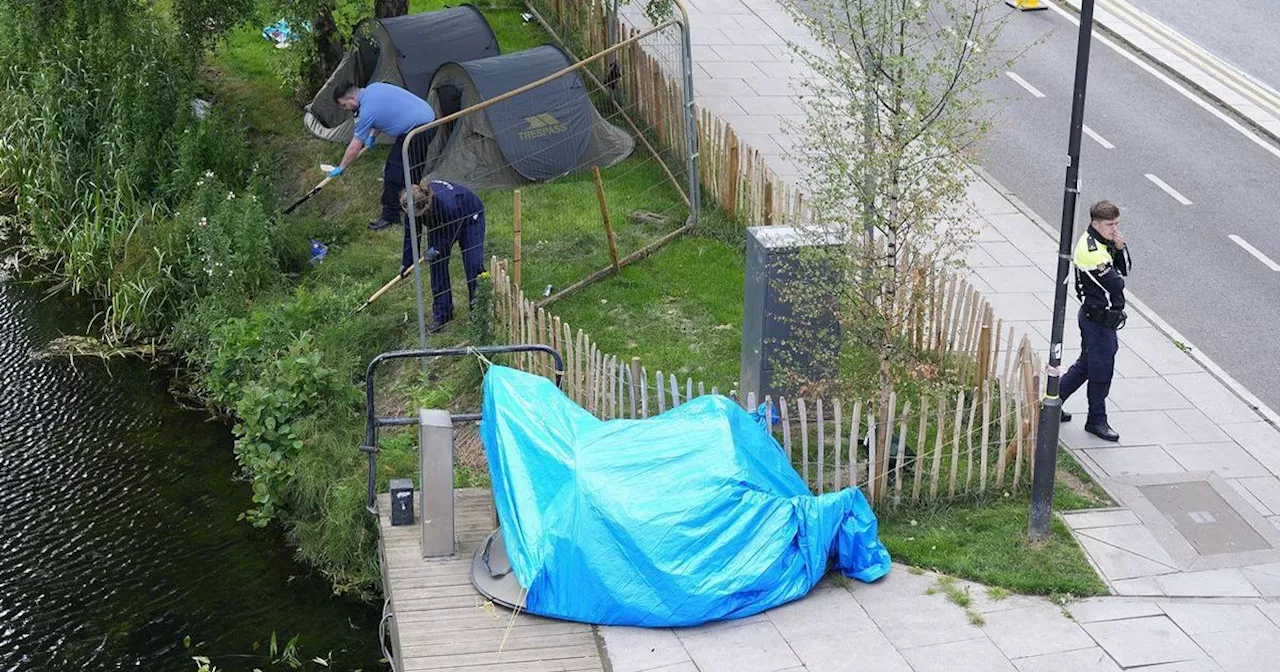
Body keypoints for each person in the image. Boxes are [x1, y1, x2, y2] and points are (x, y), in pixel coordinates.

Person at [1059, 200, 1132, 442]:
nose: (1115, 229)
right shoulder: (1090, 251)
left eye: (1117, 223)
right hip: (1097, 319)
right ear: (1095, 223)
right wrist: (1115, 252)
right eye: (1110, 225)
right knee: (1100, 370)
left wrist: (1118, 249)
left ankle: (1052, 401)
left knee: (1087, 365)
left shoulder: (1105, 243)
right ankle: (1096, 420)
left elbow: (1126, 270)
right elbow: (1117, 283)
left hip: (1102, 319)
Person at [328, 82, 437, 231]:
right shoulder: (374, 88)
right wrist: (373, 136)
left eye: (344, 105)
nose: (346, 109)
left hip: (416, 131)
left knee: (393, 172)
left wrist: (341, 167)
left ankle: (390, 215)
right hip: (431, 121)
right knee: (413, 166)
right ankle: (414, 202)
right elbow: (383, 114)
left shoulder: (366, 110)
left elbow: (354, 147)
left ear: (352, 99)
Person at [399, 181, 487, 331]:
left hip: (469, 217)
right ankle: (443, 314)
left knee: (473, 264)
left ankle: (478, 311)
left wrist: (437, 249)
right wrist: (407, 262)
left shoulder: (447, 205)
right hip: (439, 221)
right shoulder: (411, 203)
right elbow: (411, 236)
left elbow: (449, 236)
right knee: (437, 266)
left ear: (425, 207)